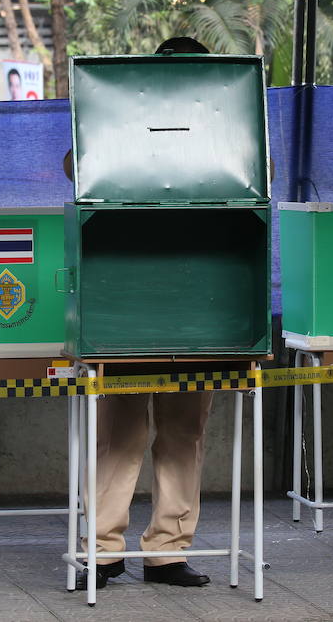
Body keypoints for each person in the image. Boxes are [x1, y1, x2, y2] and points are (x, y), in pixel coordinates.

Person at [73, 36, 215, 591]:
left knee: (182, 432)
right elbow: (75, 164)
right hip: (130, 299)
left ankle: (164, 554)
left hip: (196, 301)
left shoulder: (225, 135)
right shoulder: (121, 119)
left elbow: (263, 171)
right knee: (123, 433)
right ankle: (104, 550)